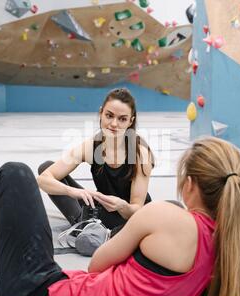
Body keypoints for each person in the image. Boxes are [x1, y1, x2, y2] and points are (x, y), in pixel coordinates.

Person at [0, 136, 240, 296]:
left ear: (188, 185)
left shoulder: (166, 215)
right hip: (84, 235)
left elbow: (97, 266)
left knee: (14, 174)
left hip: (45, 292)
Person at [37, 88, 155, 233]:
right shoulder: (91, 146)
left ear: (131, 121)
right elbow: (43, 179)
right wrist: (72, 192)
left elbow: (137, 209)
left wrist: (121, 206)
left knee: (121, 222)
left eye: (122, 119)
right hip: (101, 206)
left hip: (128, 217)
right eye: (109, 115)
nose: (114, 124)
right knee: (46, 167)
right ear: (101, 113)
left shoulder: (140, 153)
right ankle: (87, 223)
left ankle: (86, 224)